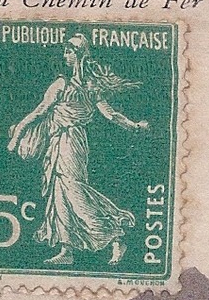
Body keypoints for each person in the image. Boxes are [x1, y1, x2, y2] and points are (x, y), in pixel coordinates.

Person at [8, 34, 149, 266]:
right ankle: (67, 250)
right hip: (57, 141)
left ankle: (114, 236)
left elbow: (110, 114)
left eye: (69, 51)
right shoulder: (60, 84)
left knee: (74, 191)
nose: (66, 56)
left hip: (73, 141)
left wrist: (134, 126)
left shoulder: (90, 87)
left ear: (80, 54)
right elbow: (39, 112)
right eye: (65, 51)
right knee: (59, 194)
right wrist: (18, 134)